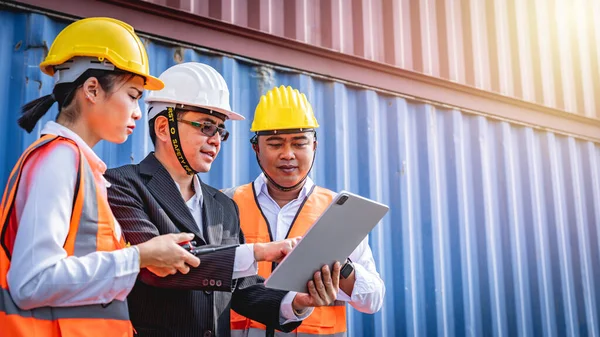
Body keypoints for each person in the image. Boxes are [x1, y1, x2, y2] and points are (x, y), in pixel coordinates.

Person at [105, 62, 341, 337]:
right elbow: (160, 267)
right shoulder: (122, 185)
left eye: (220, 130)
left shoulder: (223, 206)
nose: (216, 139)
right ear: (162, 127)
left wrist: (297, 302)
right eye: (206, 126)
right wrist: (258, 252)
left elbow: (243, 289)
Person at [0, 17, 201, 337]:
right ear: (92, 89)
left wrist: (141, 260)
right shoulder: (59, 160)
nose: (138, 111)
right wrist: (139, 256)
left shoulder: (79, 165)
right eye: (133, 95)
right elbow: (31, 283)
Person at [224, 85, 386, 337]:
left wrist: (341, 268)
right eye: (275, 143)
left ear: (314, 146)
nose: (287, 155)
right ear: (256, 148)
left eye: (299, 143)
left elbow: (373, 300)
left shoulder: (339, 212)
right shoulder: (226, 204)